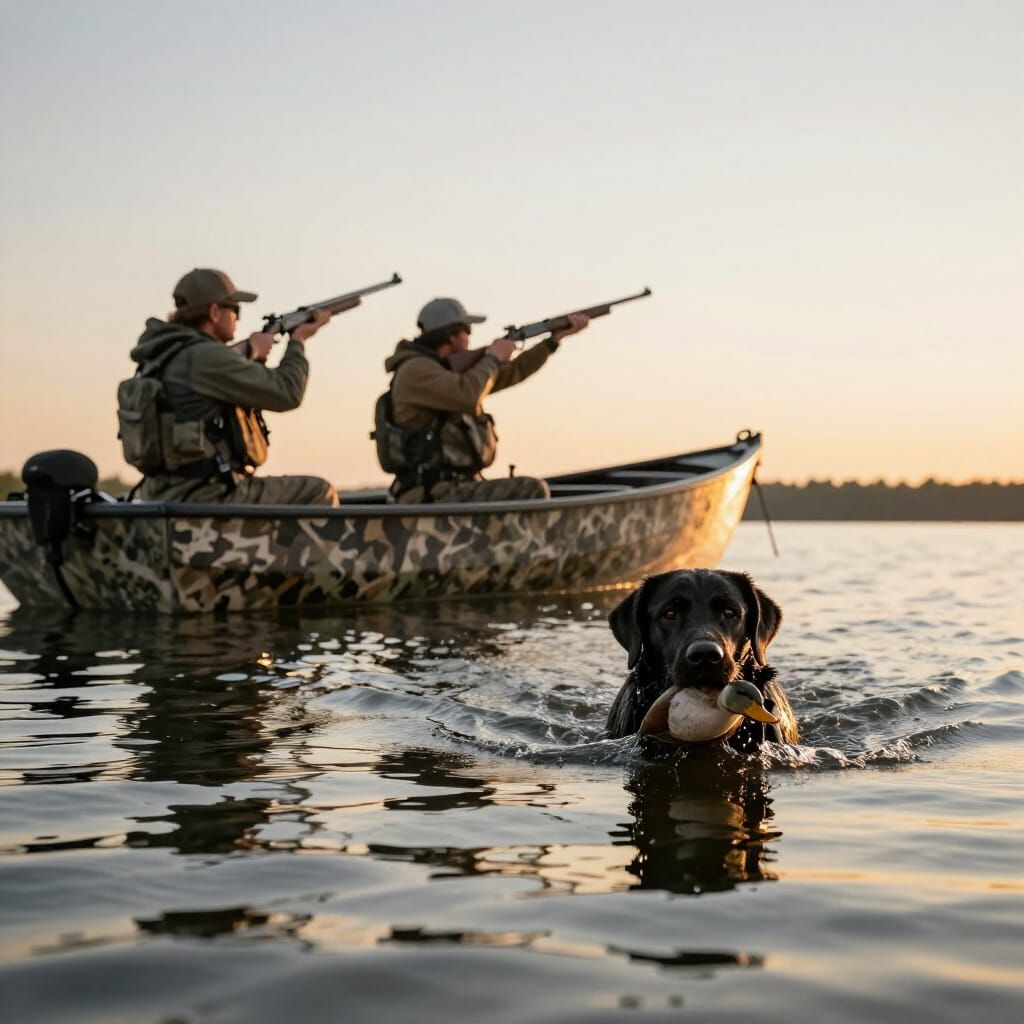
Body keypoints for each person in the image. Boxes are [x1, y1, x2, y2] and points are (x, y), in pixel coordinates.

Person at [121, 268, 351, 505]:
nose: (238, 318)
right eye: (235, 309)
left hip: (165, 492)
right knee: (318, 492)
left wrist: (254, 354)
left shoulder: (165, 355)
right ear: (214, 312)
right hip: (208, 496)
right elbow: (287, 393)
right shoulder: (206, 357)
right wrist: (297, 342)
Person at [374, 296, 589, 502]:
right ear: (452, 336)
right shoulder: (416, 370)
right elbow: (468, 395)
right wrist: (493, 357)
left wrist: (552, 341)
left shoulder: (441, 370)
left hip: (450, 488)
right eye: (467, 331)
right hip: (431, 494)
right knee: (531, 490)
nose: (469, 338)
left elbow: (510, 373)